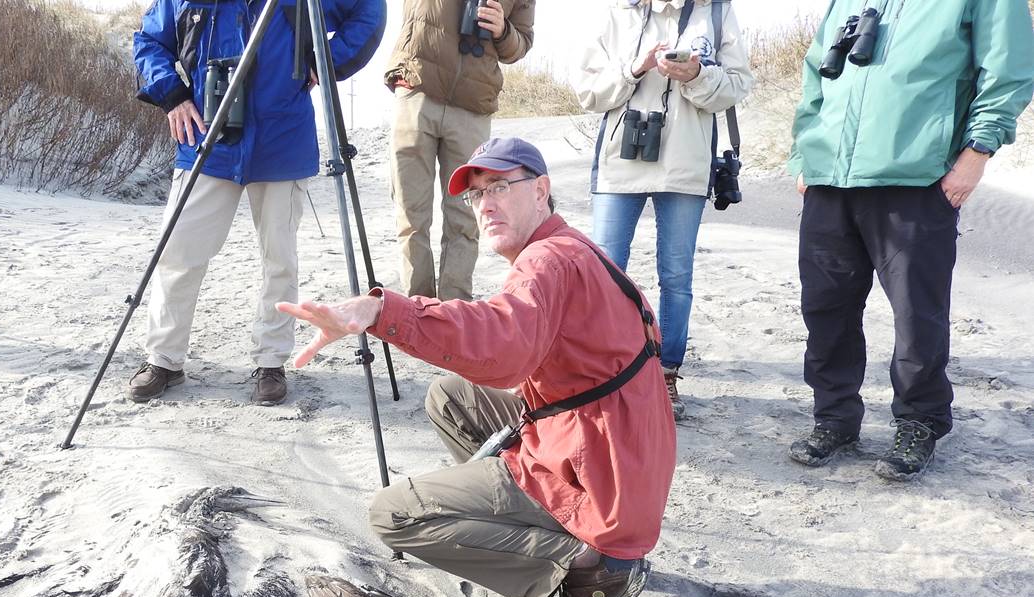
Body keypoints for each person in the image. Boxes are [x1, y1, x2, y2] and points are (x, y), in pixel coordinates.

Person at [279, 138, 676, 597]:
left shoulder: (547, 262)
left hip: (603, 486)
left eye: (500, 187)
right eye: (476, 195)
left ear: (541, 191)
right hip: (625, 463)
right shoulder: (574, 247)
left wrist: (383, 312)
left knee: (392, 513)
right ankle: (523, 526)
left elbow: (501, 345)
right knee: (449, 396)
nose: (485, 204)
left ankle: (582, 569)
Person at [788, 0, 1034, 481]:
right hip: (830, 178)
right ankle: (834, 417)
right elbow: (815, 73)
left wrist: (976, 154)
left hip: (917, 178)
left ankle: (919, 421)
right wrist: (804, 152)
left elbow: (1007, 72)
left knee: (917, 313)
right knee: (825, 308)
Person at [127, 0, 386, 406]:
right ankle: (164, 359)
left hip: (282, 141)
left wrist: (328, 63)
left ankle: (271, 361)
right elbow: (148, 40)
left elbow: (369, 9)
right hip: (206, 140)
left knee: (279, 259)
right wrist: (172, 95)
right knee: (177, 253)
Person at [574, 0, 752, 421]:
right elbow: (586, 90)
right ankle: (603, 368)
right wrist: (633, 69)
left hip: (686, 164)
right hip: (620, 163)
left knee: (676, 273)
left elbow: (740, 83)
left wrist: (697, 75)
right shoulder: (616, 12)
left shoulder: (717, 11)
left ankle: (666, 372)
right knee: (604, 271)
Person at [384, 0, 536, 301]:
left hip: (473, 103)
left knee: (466, 219)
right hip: (418, 85)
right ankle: (418, 313)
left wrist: (503, 31)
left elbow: (521, 43)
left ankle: (454, 319)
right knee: (410, 214)